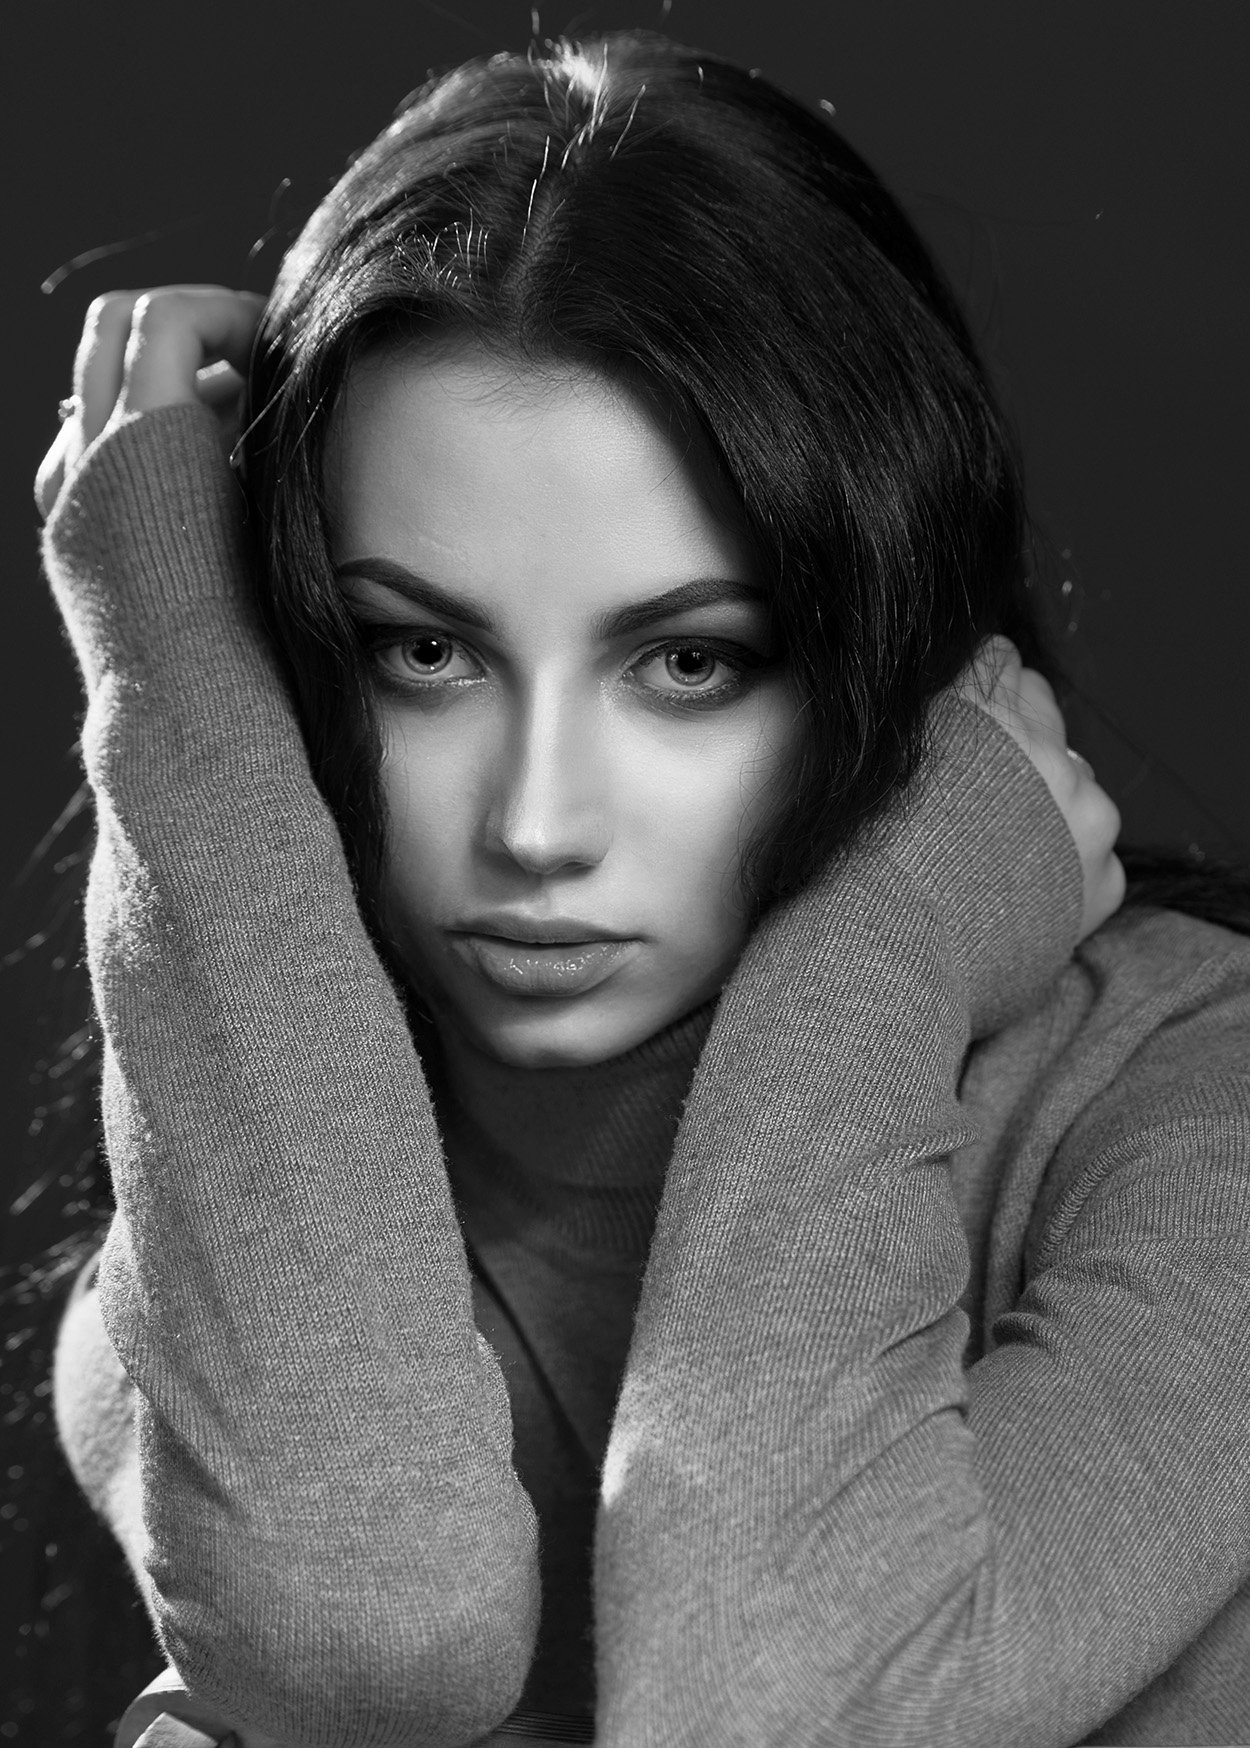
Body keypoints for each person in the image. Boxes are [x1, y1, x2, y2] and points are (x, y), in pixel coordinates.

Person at [35, 29, 1250, 1748]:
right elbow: (356, 1632)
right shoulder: (231, 1276)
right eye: (420, 651)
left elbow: (775, 1706)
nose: (537, 824)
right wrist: (170, 654)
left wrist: (879, 956)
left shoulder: (1201, 1124)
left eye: (689, 663)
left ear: (892, 645)